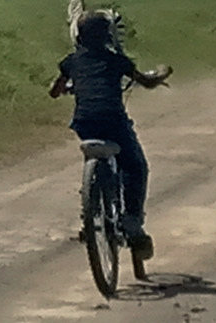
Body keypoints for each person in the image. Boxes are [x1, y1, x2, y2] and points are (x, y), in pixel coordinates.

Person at [48, 14, 170, 260]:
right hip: (113, 121)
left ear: (79, 36)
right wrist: (161, 73)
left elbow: (54, 91)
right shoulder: (117, 61)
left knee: (96, 154)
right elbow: (146, 82)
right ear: (107, 37)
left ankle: (90, 209)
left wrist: (72, 87)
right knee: (135, 166)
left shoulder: (70, 62)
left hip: (84, 123)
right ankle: (133, 222)